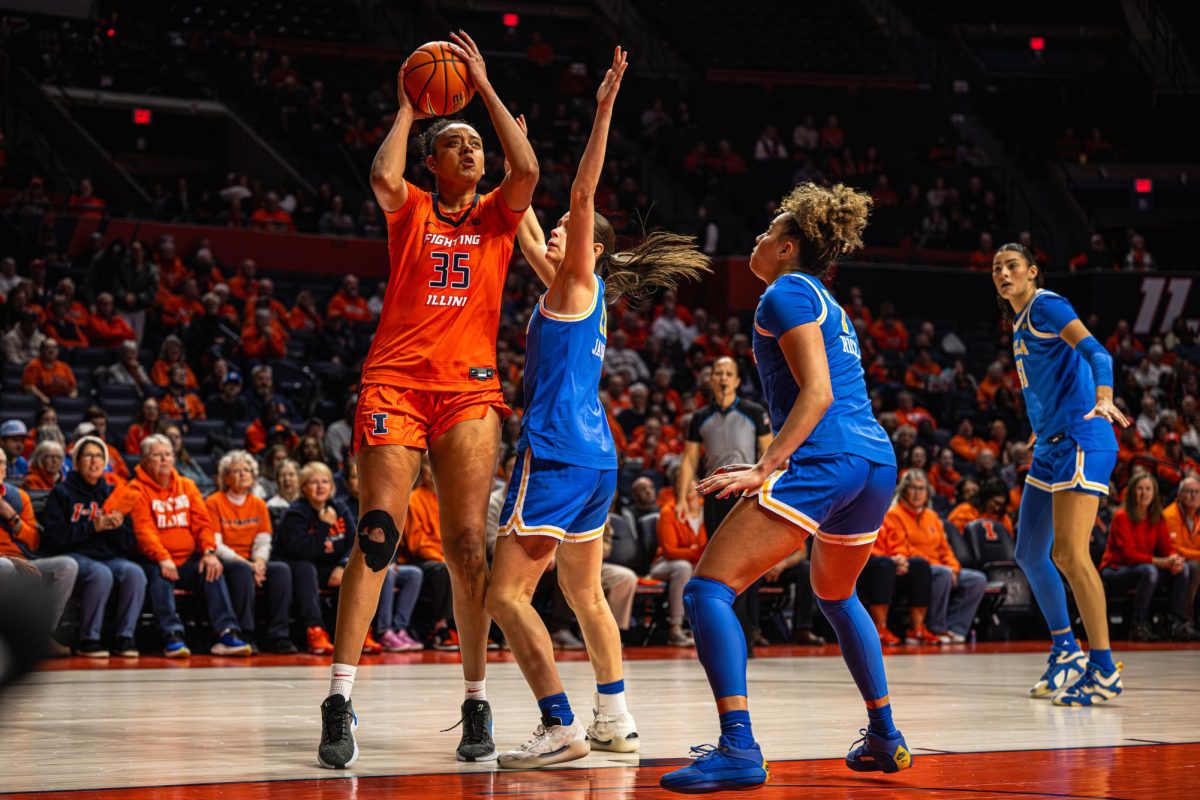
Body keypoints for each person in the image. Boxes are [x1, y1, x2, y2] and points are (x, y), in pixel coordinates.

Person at [319, 29, 539, 768]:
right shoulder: (410, 205)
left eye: (477, 142)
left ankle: (476, 702)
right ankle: (340, 699)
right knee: (378, 532)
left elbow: (530, 166)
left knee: (468, 548)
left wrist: (483, 84)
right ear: (435, 161)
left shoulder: (497, 218)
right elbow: (382, 177)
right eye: (458, 142)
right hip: (396, 382)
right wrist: (412, 107)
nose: (472, 150)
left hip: (470, 390)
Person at [661, 183, 911, 793]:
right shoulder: (827, 300)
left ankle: (738, 748)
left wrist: (764, 465)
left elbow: (818, 393)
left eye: (767, 233)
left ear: (788, 247)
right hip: (875, 460)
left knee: (707, 592)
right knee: (835, 595)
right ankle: (884, 735)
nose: (757, 239)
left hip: (832, 456)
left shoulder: (784, 293)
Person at [488, 49, 694, 769]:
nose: (556, 231)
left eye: (570, 232)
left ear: (592, 247)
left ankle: (558, 724)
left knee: (503, 593)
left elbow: (577, 194)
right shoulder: (568, 290)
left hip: (557, 452)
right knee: (584, 595)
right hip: (596, 455)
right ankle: (616, 718)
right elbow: (519, 224)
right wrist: (511, 165)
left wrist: (604, 106)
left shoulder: (580, 277)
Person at [994, 242, 1126, 705]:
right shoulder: (1017, 324)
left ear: (1032, 272)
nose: (1003, 273)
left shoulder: (1046, 305)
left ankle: (1103, 668)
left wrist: (1105, 397)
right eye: (997, 268)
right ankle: (1065, 647)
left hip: (1081, 439)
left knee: (1070, 554)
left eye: (1012, 266)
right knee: (1030, 552)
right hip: (1050, 445)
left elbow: (1097, 353)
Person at [104, 434, 250, 657]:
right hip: (155, 559)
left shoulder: (187, 485)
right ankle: (172, 635)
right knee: (160, 575)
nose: (164, 459)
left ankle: (226, 633)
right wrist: (163, 557)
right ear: (143, 460)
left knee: (213, 570)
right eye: (157, 455)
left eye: (168, 454)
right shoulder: (135, 489)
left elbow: (202, 523)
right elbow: (144, 530)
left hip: (189, 558)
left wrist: (209, 551)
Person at [675, 355, 772, 645]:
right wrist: (682, 497)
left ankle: (748, 631)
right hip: (715, 496)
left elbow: (770, 454)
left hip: (746, 495)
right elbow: (690, 459)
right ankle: (725, 633)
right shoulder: (699, 417)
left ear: (738, 381)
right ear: (711, 379)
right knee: (717, 563)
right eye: (718, 372)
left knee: (746, 563)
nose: (723, 378)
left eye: (729, 373)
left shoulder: (754, 412)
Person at [40, 436, 146, 657]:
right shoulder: (62, 492)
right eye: (88, 456)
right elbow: (53, 537)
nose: (94, 461)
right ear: (77, 462)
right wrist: (92, 527)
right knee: (101, 574)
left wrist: (116, 527)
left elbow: (128, 543)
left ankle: (125, 638)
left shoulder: (112, 493)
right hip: (75, 555)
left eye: (99, 457)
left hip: (108, 556)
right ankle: (90, 639)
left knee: (134, 572)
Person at [206, 451, 297, 654]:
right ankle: (245, 633)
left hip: (252, 560)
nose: (242, 474)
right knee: (240, 570)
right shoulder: (214, 502)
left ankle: (279, 634)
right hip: (229, 560)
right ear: (226, 477)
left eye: (247, 470)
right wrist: (248, 565)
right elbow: (216, 545)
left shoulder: (258, 504)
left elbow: (263, 540)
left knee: (281, 569)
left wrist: (259, 563)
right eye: (236, 471)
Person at [0, 448, 79, 657]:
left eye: (1, 463)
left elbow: (33, 542)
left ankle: (41, 634)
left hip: (21, 559)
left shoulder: (19, 497)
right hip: (6, 562)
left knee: (67, 566)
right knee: (4, 566)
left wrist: (11, 516)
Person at [1101, 472, 1193, 641]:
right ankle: (1139, 625)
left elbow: (1167, 548)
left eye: (1148, 489)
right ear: (1132, 492)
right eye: (1140, 489)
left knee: (1183, 569)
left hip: (1144, 567)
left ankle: (1175, 623)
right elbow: (1128, 555)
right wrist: (1161, 562)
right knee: (1149, 571)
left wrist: (1174, 559)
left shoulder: (1157, 517)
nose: (1144, 493)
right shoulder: (1122, 516)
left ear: (1154, 493)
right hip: (1116, 569)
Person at [870, 470, 939, 645]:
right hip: (863, 566)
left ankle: (916, 628)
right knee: (884, 564)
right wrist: (892, 560)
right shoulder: (860, 514)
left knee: (920, 565)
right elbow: (860, 547)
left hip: (889, 565)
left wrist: (900, 558)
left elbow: (898, 542)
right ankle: (880, 628)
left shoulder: (886, 515)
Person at [652, 487, 708, 646]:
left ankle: (704, 629)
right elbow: (670, 551)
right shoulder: (668, 511)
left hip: (696, 563)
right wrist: (698, 552)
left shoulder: (706, 508)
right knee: (683, 568)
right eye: (685, 483)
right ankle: (675, 629)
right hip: (665, 564)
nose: (690, 488)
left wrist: (699, 554)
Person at [1163, 476, 1200, 628]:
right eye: (1189, 492)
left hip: (1192, 559)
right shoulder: (1170, 515)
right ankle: (1184, 619)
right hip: (1171, 560)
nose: (1194, 496)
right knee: (1193, 567)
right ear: (1179, 495)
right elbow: (1174, 547)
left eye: (1197, 492)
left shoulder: (1197, 514)